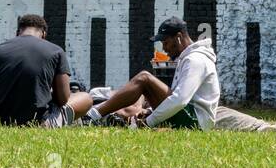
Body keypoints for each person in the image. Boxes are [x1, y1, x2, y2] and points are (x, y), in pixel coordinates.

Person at [92, 17, 220, 129]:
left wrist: (149, 121)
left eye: (166, 42)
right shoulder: (188, 58)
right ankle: (97, 115)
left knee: (144, 78)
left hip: (196, 122)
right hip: (192, 117)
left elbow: (180, 100)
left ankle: (91, 115)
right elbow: (177, 97)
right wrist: (150, 111)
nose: (164, 49)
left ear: (179, 38)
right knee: (146, 84)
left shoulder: (196, 60)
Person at [0, 14, 95, 126]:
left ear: (18, 33)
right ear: (43, 34)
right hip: (39, 122)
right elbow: (63, 99)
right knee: (86, 98)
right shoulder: (56, 51)